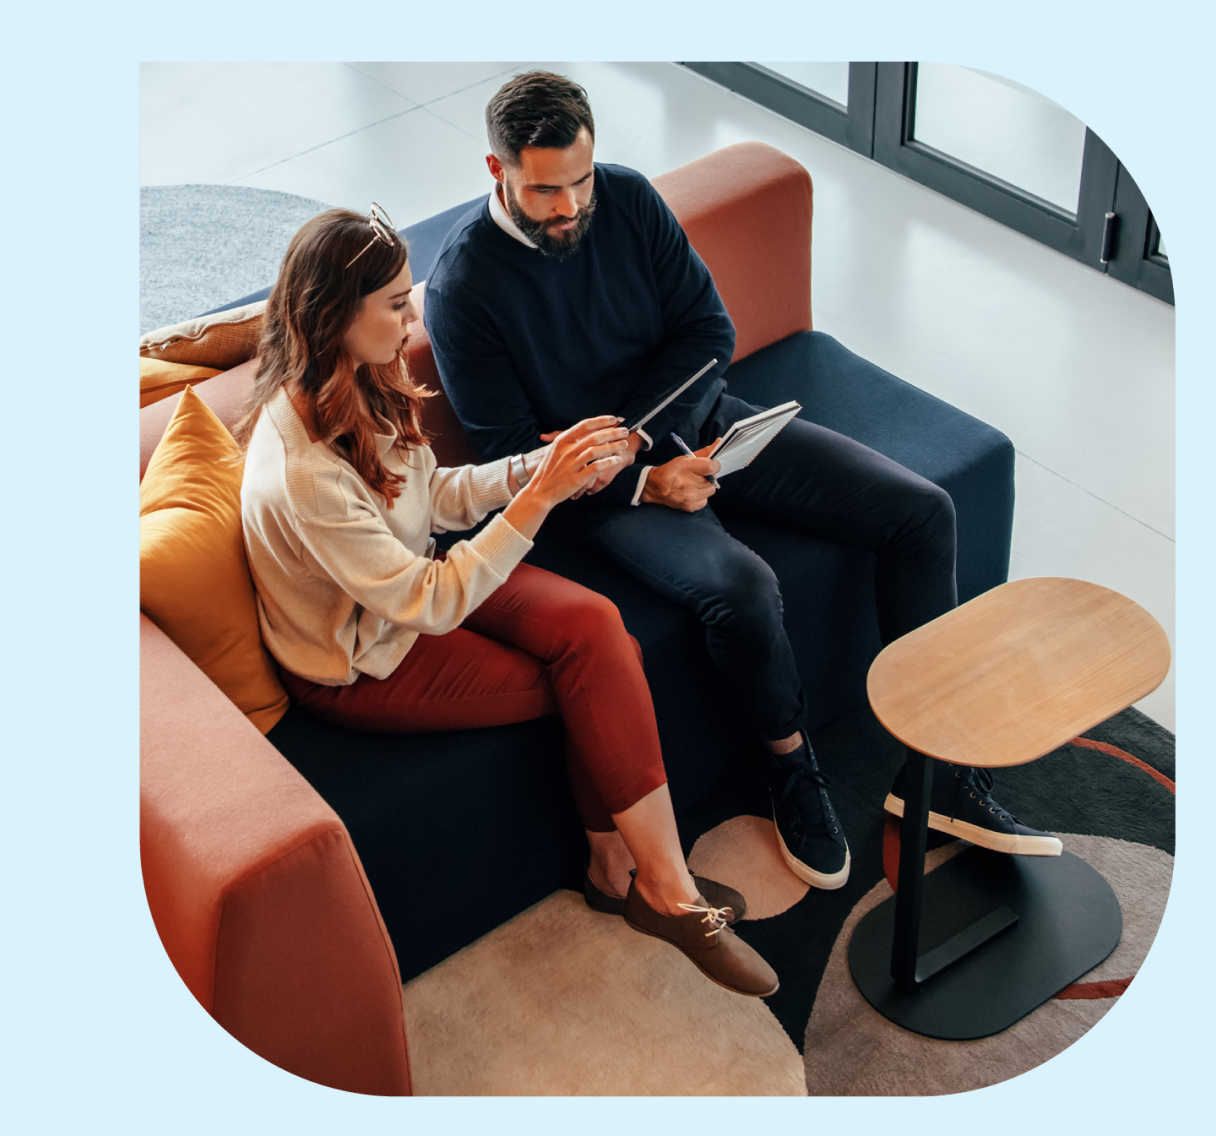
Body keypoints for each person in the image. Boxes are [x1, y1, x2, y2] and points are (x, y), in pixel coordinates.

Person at [423, 71, 1063, 887]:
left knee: (921, 511)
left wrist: (654, 438)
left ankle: (937, 773)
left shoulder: (625, 200)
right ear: (496, 171)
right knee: (744, 589)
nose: (570, 208)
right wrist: (644, 481)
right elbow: (513, 454)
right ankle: (792, 769)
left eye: (579, 181)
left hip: (700, 422)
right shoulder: (463, 289)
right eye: (545, 191)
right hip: (597, 494)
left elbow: (706, 329)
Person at [234, 205, 780, 998]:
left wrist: (540, 465)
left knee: (599, 629)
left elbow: (434, 498)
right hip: (360, 658)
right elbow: (430, 602)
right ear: (333, 316)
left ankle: (623, 871)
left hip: (411, 577)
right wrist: (540, 501)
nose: (411, 314)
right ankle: (664, 891)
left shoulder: (363, 378)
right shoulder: (303, 472)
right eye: (393, 303)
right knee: (591, 674)